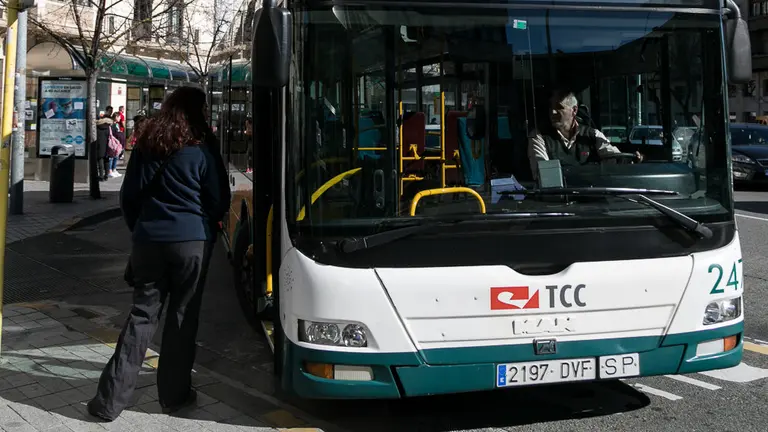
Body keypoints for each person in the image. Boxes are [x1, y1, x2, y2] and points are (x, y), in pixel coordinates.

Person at [87, 86, 231, 422]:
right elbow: (218, 200)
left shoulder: (149, 142)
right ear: (199, 111)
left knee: (141, 316)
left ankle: (109, 402)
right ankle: (174, 395)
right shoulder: (204, 146)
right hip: (192, 243)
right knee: (182, 318)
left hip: (149, 241)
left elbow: (129, 196)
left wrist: (141, 229)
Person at [527, 90, 643, 181]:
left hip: (593, 195)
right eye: (551, 108)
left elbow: (613, 157)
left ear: (574, 110)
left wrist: (630, 160)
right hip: (559, 199)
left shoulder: (593, 135)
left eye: (559, 107)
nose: (552, 112)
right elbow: (542, 174)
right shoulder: (539, 136)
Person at [95, 115, 115, 181]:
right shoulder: (109, 127)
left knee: (100, 160)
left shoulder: (97, 126)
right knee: (106, 160)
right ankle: (106, 175)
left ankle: (101, 176)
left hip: (99, 145)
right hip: (107, 145)